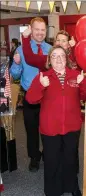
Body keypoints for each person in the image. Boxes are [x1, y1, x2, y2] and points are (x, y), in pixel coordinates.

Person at [26, 46, 86, 196]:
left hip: (72, 126)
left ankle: (72, 186)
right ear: (49, 60)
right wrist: (40, 85)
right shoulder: (43, 76)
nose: (58, 59)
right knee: (52, 160)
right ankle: (51, 191)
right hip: (50, 127)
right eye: (54, 56)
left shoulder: (75, 75)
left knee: (70, 159)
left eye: (61, 56)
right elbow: (30, 99)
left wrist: (82, 83)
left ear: (67, 59)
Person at [10, 17, 52, 172]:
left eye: (43, 30)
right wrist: (16, 63)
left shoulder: (50, 49)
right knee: (31, 129)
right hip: (29, 97)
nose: (40, 33)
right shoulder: (21, 50)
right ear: (31, 30)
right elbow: (14, 76)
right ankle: (34, 157)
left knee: (49, 128)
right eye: (37, 29)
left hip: (48, 96)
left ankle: (48, 155)